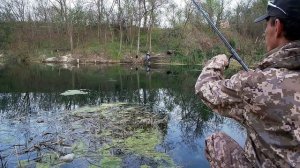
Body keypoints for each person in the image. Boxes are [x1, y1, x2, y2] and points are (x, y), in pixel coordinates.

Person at [195, 0, 300, 167]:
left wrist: (216, 62)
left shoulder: (254, 83)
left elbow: (204, 89)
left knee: (217, 141)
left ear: (277, 26)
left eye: (267, 24)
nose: (265, 31)